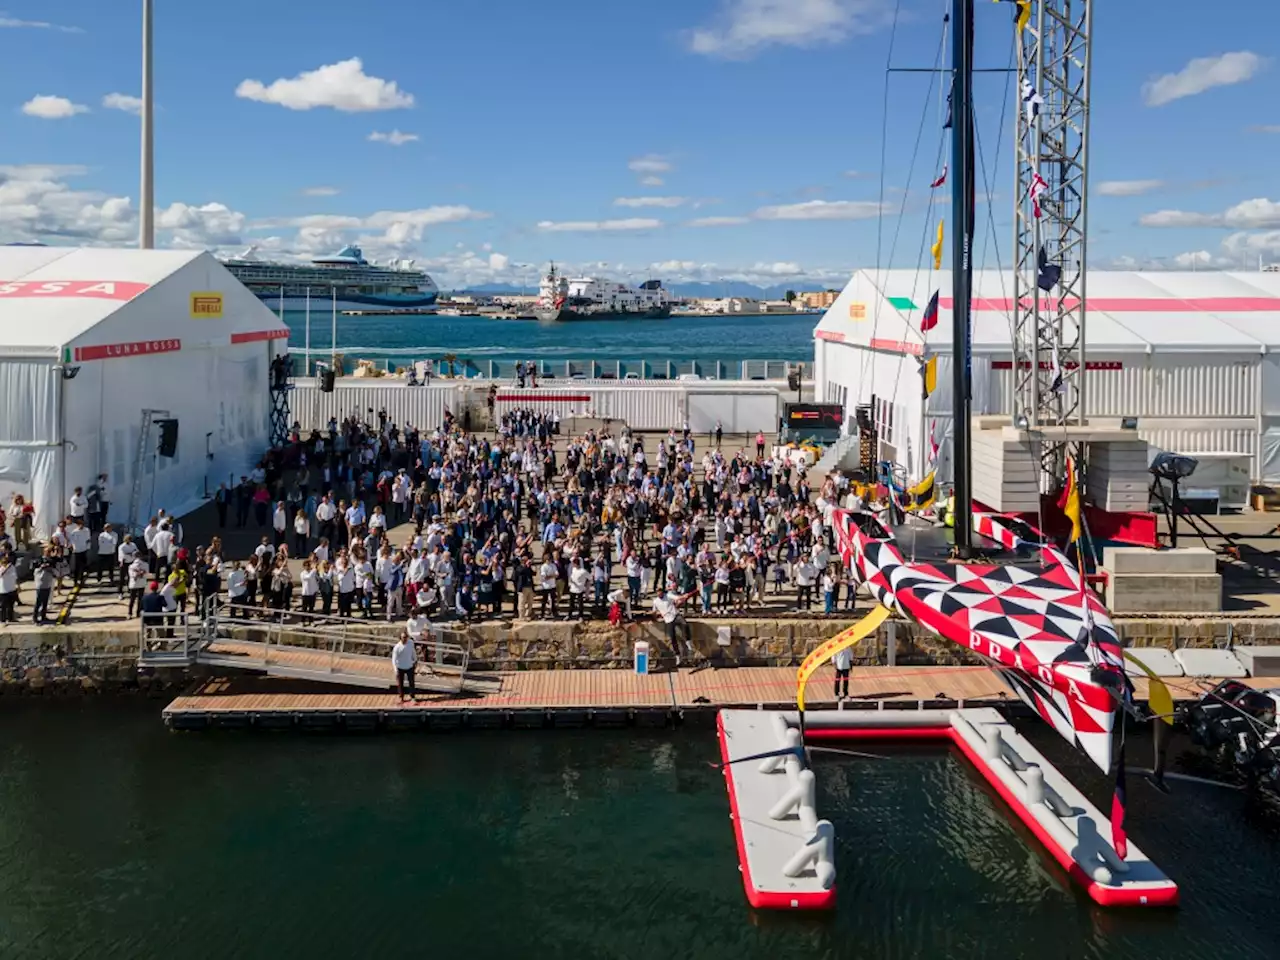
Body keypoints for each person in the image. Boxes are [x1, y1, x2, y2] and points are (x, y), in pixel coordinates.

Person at [651, 589, 694, 668]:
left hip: (675, 615)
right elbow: (654, 611)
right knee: (672, 638)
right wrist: (655, 619)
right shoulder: (655, 601)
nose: (659, 594)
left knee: (685, 624)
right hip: (668, 620)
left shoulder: (668, 595)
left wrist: (684, 596)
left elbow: (678, 598)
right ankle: (678, 656)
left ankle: (688, 643)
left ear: (662, 592)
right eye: (658, 593)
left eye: (660, 593)